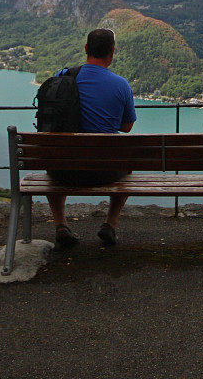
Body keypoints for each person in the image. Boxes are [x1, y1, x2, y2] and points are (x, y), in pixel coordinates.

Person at [46, 28, 136, 248]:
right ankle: (110, 224)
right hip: (104, 172)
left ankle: (60, 225)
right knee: (129, 164)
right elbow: (126, 127)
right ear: (112, 53)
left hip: (63, 171)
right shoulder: (121, 85)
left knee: (52, 156)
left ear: (86, 49)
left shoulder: (61, 78)